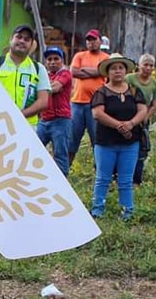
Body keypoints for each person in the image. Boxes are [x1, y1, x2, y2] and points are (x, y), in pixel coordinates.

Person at [90, 54, 147, 220]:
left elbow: (142, 110)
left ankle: (127, 211)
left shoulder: (135, 90)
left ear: (125, 71)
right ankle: (97, 210)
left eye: (120, 68)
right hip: (105, 143)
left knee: (126, 179)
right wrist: (118, 125)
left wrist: (131, 123)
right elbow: (97, 113)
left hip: (130, 143)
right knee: (103, 178)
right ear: (108, 72)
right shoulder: (101, 92)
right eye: (113, 68)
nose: (117, 71)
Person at [0, 25, 51, 125]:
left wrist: (19, 115)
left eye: (27, 39)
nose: (22, 41)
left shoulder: (38, 69)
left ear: (31, 45)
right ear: (11, 39)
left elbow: (43, 101)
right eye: (18, 37)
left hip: (27, 127)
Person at [69, 29, 110, 168]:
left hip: (97, 104)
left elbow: (103, 71)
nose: (91, 43)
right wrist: (95, 73)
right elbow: (73, 72)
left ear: (100, 41)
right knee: (72, 139)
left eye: (93, 39)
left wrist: (86, 70)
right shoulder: (80, 55)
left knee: (97, 139)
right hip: (77, 103)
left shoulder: (105, 58)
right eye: (88, 40)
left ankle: (100, 170)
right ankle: (65, 170)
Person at [126, 54, 156, 185]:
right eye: (145, 65)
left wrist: (145, 118)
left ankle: (137, 180)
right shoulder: (129, 79)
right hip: (127, 117)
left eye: (151, 65)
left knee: (142, 150)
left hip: (143, 121)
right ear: (139, 65)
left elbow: (154, 104)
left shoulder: (155, 84)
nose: (148, 68)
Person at [37, 46, 73, 177]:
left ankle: (62, 182)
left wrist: (39, 89)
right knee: (34, 148)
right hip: (44, 119)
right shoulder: (45, 75)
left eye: (56, 59)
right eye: (49, 59)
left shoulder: (65, 73)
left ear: (62, 60)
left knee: (60, 153)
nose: (52, 62)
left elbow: (55, 88)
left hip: (60, 119)